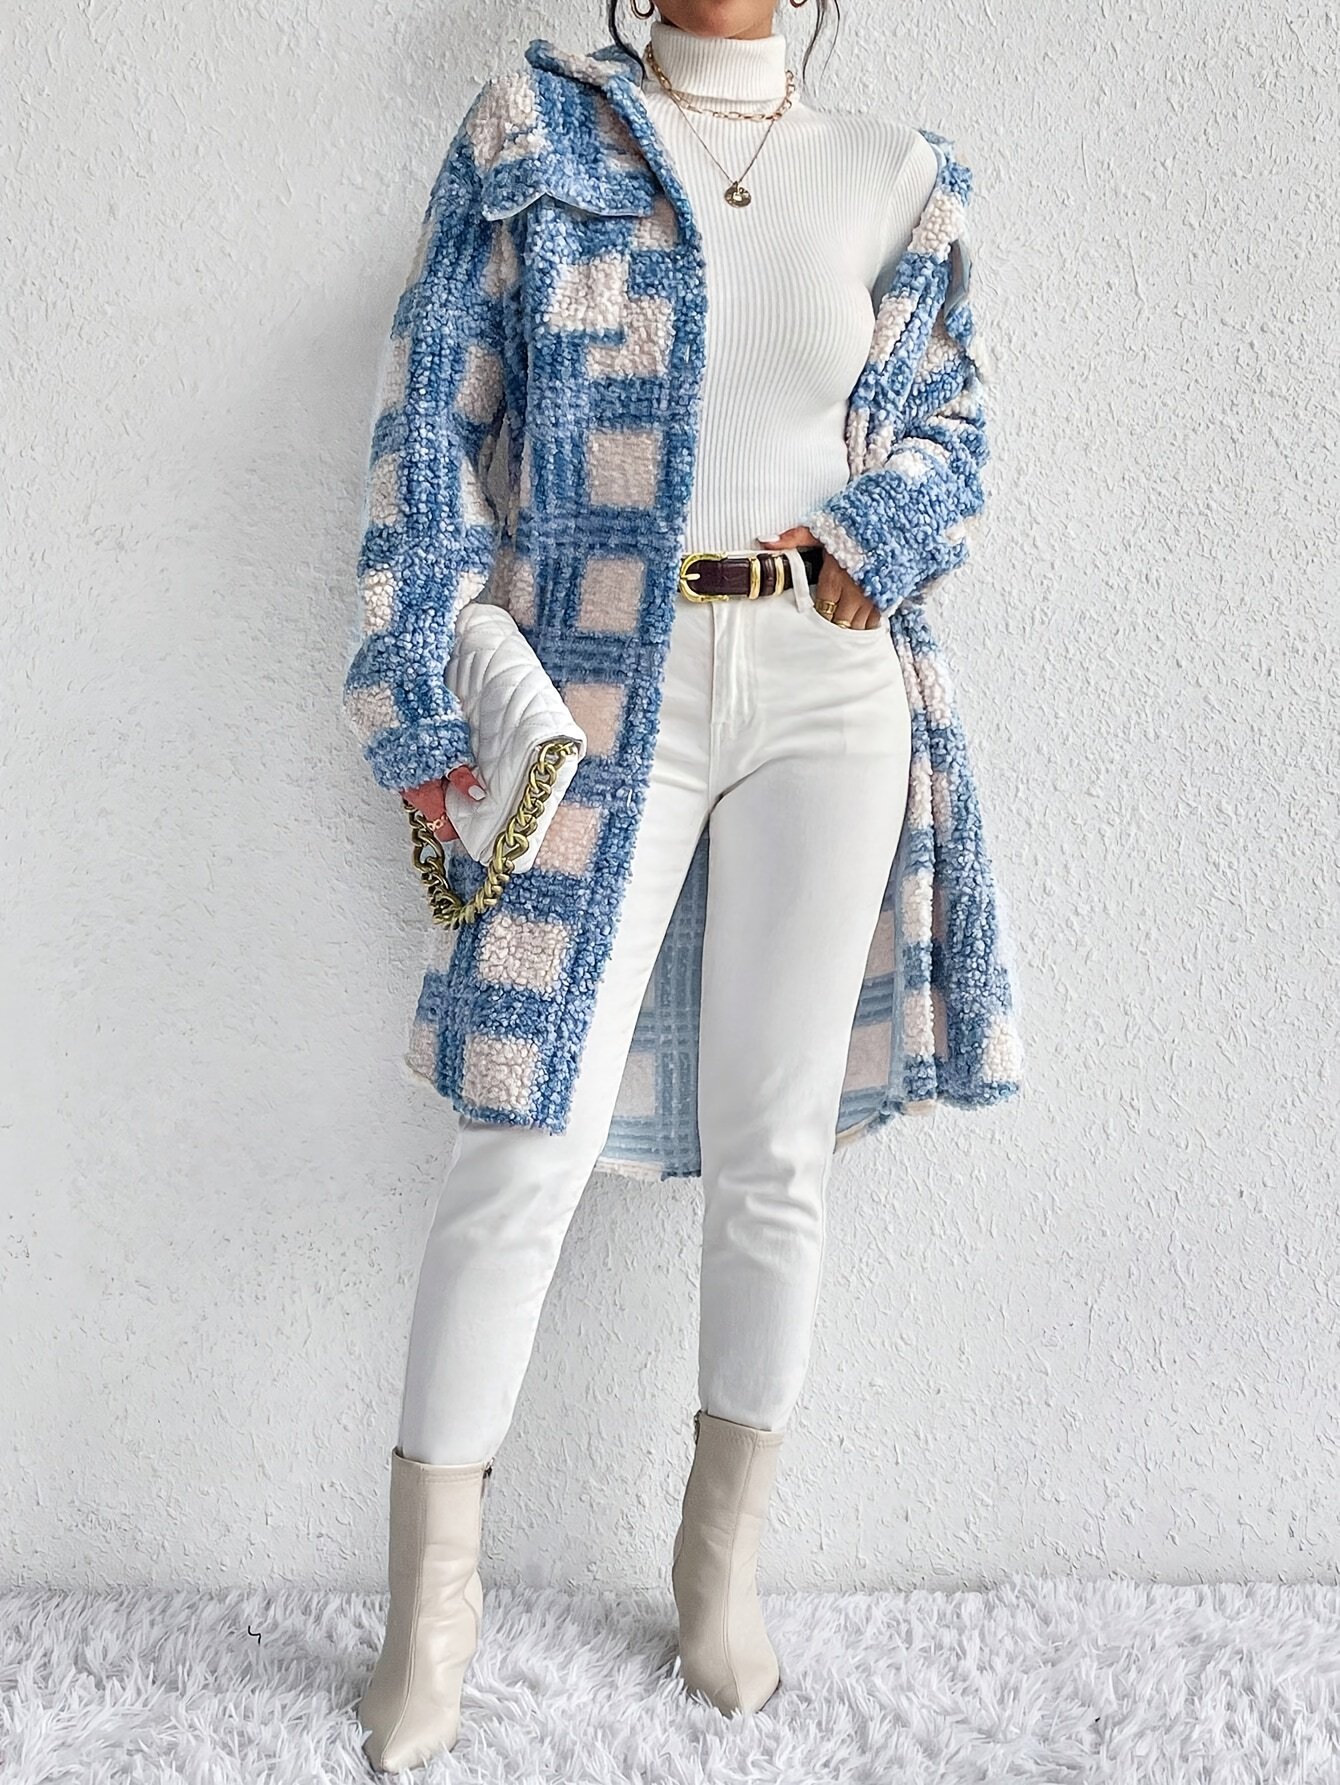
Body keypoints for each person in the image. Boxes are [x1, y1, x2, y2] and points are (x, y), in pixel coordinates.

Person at [343, 3, 1018, 1770]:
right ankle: (431, 1618)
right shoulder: (531, 136)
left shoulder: (897, 175)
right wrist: (421, 687)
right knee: (524, 1134)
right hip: (590, 687)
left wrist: (872, 541)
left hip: (824, 684)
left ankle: (718, 1571)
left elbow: (950, 431)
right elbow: (430, 426)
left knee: (776, 1149)